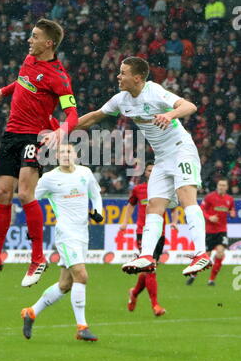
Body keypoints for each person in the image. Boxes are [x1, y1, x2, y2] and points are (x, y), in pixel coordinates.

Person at [0, 18, 78, 287]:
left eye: (35, 36)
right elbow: (22, 82)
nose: (29, 39)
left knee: (25, 193)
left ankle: (38, 259)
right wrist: (1, 93)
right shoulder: (29, 60)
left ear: (48, 43)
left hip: (34, 136)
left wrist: (60, 132)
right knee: (2, 193)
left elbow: (72, 113)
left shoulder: (59, 76)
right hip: (11, 134)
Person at [77, 56, 211, 277]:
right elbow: (94, 118)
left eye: (123, 72)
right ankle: (147, 256)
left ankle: (201, 254)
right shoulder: (121, 100)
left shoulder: (154, 91)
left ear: (137, 78)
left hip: (181, 150)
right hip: (161, 158)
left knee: (187, 197)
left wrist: (169, 114)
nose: (118, 76)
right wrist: (61, 127)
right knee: (153, 206)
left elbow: (189, 106)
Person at [21, 143, 103, 341]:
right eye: (61, 152)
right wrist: (31, 225)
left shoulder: (85, 173)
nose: (66, 155)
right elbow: (30, 199)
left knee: (65, 284)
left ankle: (31, 312)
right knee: (81, 276)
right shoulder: (49, 179)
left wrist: (98, 211)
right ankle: (82, 327)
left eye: (69, 151)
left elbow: (96, 193)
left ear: (75, 154)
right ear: (57, 157)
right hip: (66, 234)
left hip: (82, 234)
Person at [120, 161, 178, 316]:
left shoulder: (164, 190)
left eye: (154, 170)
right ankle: (155, 305)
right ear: (145, 173)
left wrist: (174, 222)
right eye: (149, 170)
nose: (151, 173)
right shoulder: (139, 189)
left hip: (160, 233)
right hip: (143, 232)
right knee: (150, 268)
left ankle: (134, 293)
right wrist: (125, 221)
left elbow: (173, 206)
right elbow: (130, 205)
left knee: (148, 269)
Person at [186, 179, 236, 286]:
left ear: (227, 187)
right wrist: (209, 217)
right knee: (205, 256)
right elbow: (201, 209)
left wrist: (232, 213)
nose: (221, 187)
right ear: (217, 186)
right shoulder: (210, 197)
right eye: (220, 185)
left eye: (223, 185)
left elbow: (232, 210)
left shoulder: (229, 199)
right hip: (209, 232)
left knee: (220, 253)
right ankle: (193, 275)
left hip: (222, 231)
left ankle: (211, 280)